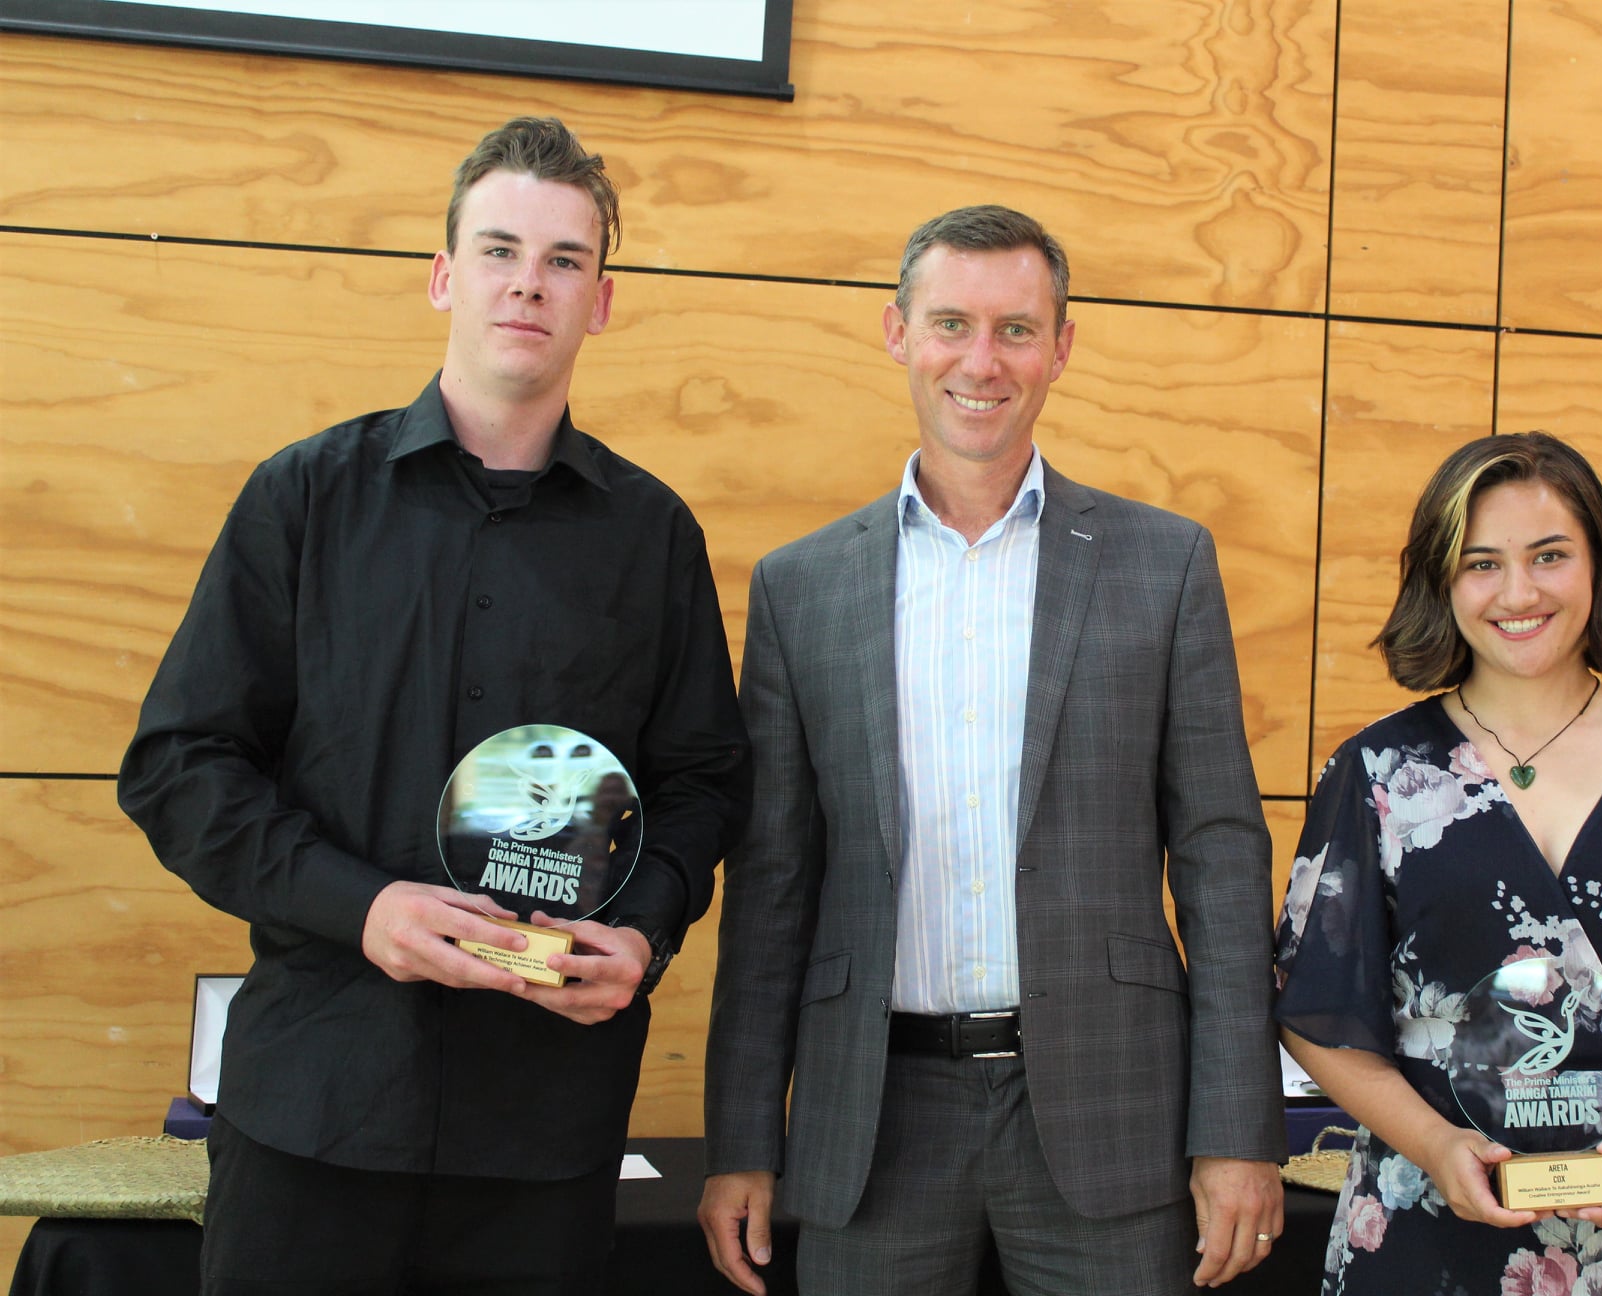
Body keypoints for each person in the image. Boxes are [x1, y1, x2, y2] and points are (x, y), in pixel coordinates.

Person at [119, 116, 750, 1294]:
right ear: (444, 276)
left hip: (544, 1132)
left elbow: (705, 783)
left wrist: (648, 924)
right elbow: (180, 766)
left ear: (600, 302)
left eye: (566, 260)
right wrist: (363, 909)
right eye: (501, 249)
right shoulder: (305, 496)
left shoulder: (652, 534)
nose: (530, 282)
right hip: (314, 1108)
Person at [698, 205, 1285, 1296]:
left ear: (1062, 346)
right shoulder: (801, 586)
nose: (982, 360)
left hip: (1113, 1110)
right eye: (951, 323)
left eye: (1017, 329)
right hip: (873, 1117)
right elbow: (772, 882)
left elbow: (1219, 857)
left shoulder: (1163, 566)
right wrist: (741, 1136)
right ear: (897, 333)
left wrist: (1238, 1128)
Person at [1274, 432, 1602, 1295]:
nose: (1518, 593)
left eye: (1550, 555)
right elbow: (1314, 1010)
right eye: (1481, 563)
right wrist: (1436, 1147)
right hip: (1426, 1225)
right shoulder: (1376, 775)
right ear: (1441, 582)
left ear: (1599, 563)